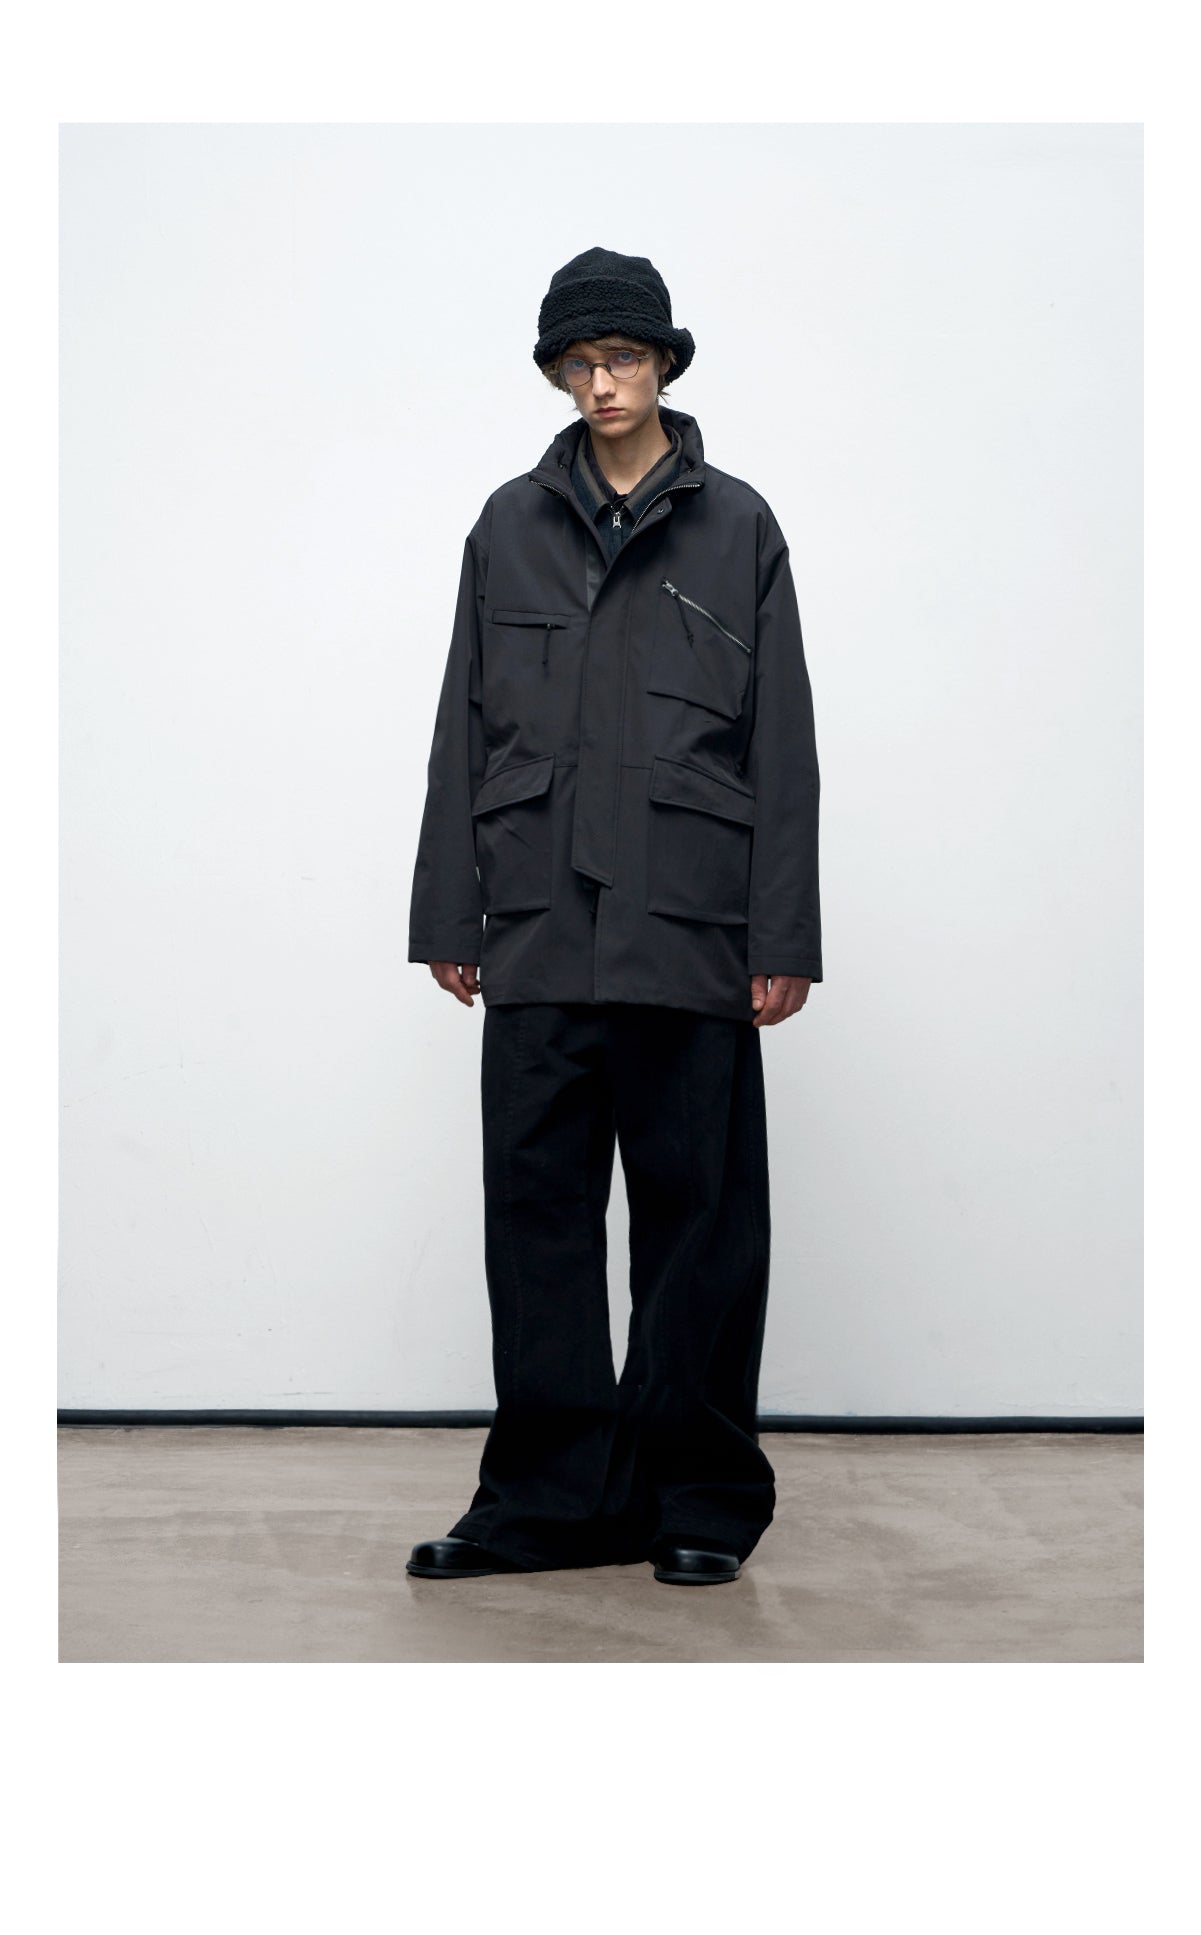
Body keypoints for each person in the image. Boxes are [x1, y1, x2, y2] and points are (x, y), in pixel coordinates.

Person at [405, 246, 822, 1586]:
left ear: (664, 366)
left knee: (701, 1229)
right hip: (535, 926)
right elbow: (462, 725)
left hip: (689, 928)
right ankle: (544, 1502)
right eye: (578, 364)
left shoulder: (738, 525)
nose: (601, 384)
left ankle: (696, 1497)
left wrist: (780, 940)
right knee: (535, 1223)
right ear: (556, 374)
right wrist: (449, 911)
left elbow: (783, 748)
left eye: (623, 359)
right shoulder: (506, 524)